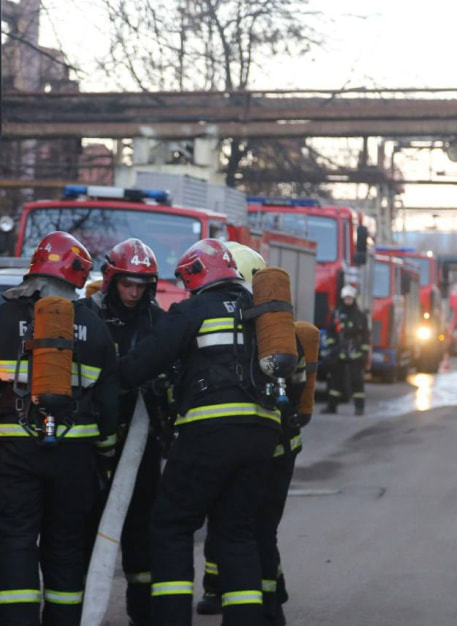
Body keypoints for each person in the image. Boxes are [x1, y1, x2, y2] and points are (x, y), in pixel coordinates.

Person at [0, 231, 119, 626]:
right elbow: (109, 398)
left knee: (17, 539)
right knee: (66, 544)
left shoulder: (0, 320)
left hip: (11, 452)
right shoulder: (95, 327)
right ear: (76, 275)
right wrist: (106, 450)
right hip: (75, 453)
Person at [119, 238, 281, 626]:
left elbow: (145, 362)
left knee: (171, 525)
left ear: (196, 274)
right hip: (262, 435)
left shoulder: (193, 309)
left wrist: (110, 376)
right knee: (235, 532)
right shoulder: (263, 311)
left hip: (209, 433)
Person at [196, 242, 310, 626]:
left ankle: (258, 606)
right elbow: (297, 384)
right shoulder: (277, 328)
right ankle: (267, 601)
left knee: (240, 525)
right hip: (281, 445)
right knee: (260, 529)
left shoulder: (224, 325)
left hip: (254, 446)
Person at [79, 238, 166, 626]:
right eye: (127, 284)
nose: (134, 293)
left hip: (140, 439)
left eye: (141, 286)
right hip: (90, 437)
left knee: (140, 528)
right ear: (111, 280)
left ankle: (143, 613)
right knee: (84, 523)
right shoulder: (86, 315)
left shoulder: (158, 321)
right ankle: (75, 608)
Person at [324, 285, 370, 415]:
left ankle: (359, 408)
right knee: (335, 381)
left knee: (357, 381)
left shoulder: (360, 315)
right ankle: (332, 407)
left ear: (354, 299)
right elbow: (330, 332)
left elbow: (366, 335)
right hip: (340, 353)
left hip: (355, 353)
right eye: (346, 298)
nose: (348, 300)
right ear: (343, 299)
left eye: (350, 298)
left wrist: (364, 352)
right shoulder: (337, 313)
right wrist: (332, 347)